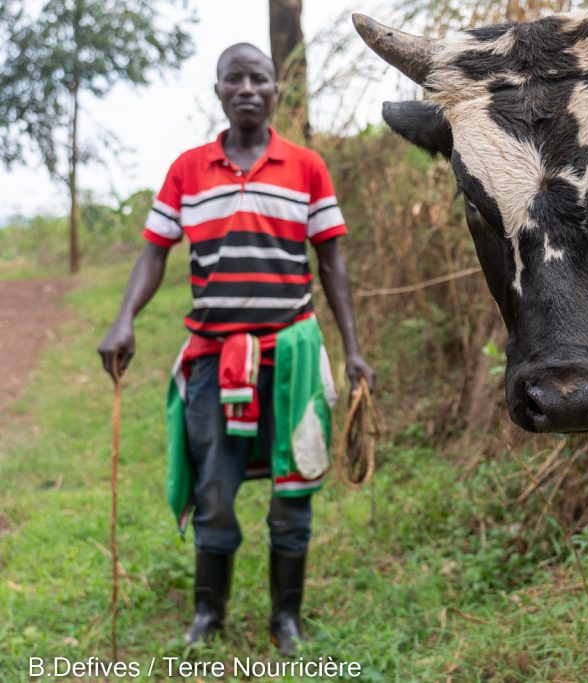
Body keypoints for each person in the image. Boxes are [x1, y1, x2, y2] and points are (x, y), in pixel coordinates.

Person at [97, 42, 374, 655]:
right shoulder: (187, 170)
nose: (247, 88)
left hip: (293, 354)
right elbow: (153, 251)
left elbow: (331, 263)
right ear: (217, 91)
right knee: (213, 490)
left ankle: (286, 620)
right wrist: (124, 320)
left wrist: (352, 351)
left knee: (293, 486)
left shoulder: (307, 167)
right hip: (212, 356)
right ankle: (207, 614)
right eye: (235, 79)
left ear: (276, 90)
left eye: (259, 79)